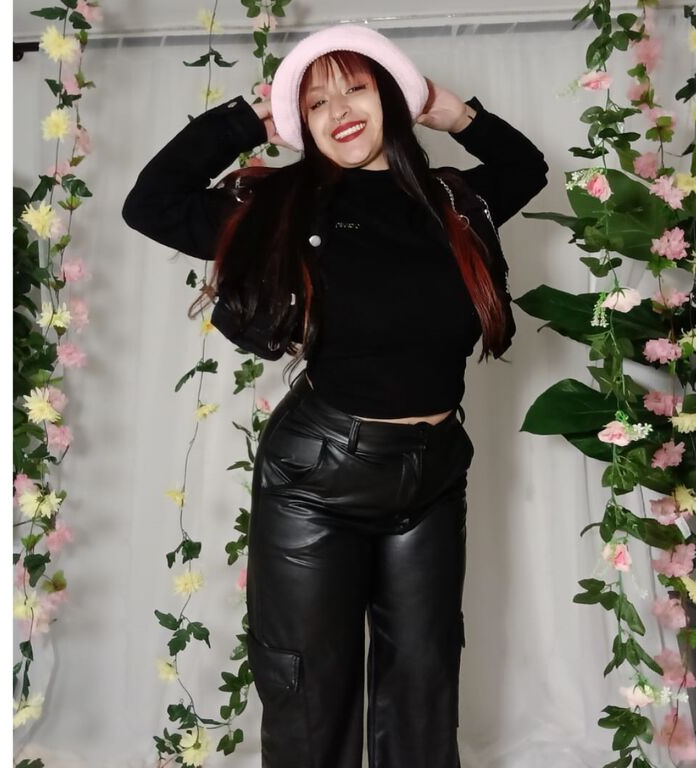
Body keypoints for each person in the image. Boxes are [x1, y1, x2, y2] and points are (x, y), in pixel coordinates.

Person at [123, 23, 548, 768]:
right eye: (316, 102)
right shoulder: (283, 208)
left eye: (355, 88)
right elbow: (150, 205)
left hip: (434, 476)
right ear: (301, 122)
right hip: (317, 481)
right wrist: (249, 118)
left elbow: (526, 166)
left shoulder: (454, 202)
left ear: (391, 97)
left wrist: (453, 112)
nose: (339, 111)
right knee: (310, 697)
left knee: (423, 691)